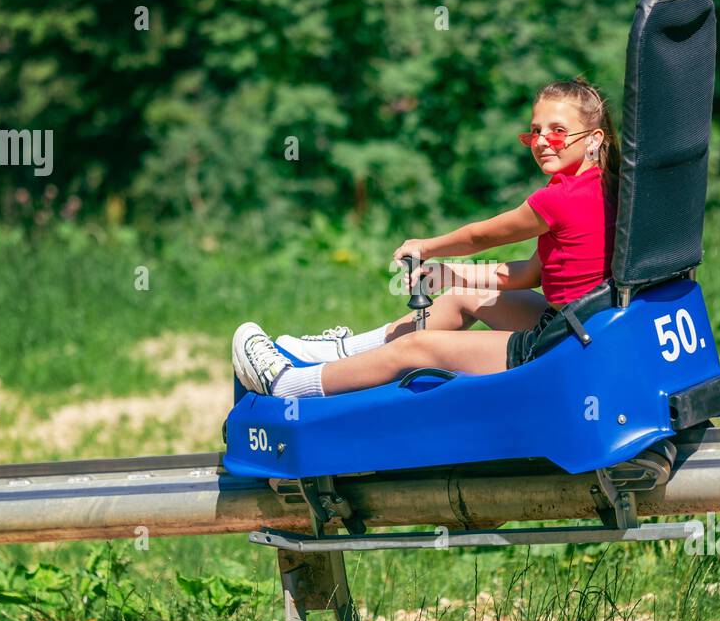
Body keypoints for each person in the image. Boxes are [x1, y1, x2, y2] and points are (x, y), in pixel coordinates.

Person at [231, 76, 619, 398]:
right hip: (579, 325)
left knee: (415, 350)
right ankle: (338, 351)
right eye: (535, 131)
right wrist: (450, 273)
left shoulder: (560, 199)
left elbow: (478, 236)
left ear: (594, 138)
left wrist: (426, 246)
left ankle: (286, 385)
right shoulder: (599, 186)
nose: (541, 141)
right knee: (461, 298)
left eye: (558, 131)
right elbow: (532, 273)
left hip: (559, 347)